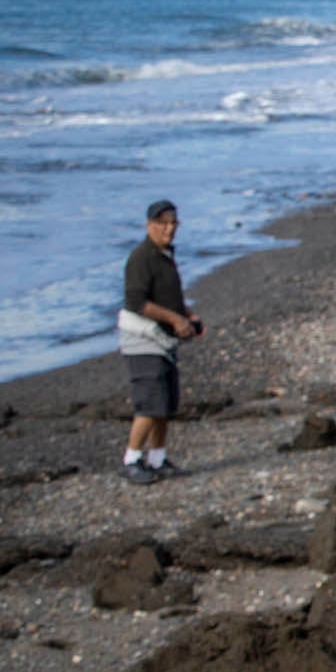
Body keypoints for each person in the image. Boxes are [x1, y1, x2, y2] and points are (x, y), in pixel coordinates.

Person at [117, 199, 204, 485]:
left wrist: (187, 316)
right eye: (163, 224)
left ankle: (157, 459)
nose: (169, 229)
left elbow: (167, 296)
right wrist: (175, 319)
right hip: (142, 339)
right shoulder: (141, 258)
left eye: (173, 223)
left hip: (163, 341)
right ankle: (131, 460)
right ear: (149, 226)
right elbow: (137, 302)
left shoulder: (165, 255)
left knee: (165, 403)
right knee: (150, 404)